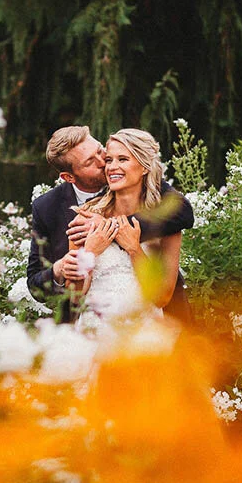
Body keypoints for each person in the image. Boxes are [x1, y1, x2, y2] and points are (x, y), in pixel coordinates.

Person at [27, 125, 194, 322]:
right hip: (95, 324)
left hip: (153, 324)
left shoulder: (156, 200)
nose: (105, 164)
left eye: (100, 152)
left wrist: (115, 230)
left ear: (144, 167)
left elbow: (183, 212)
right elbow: (66, 293)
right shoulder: (73, 215)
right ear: (69, 177)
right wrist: (63, 267)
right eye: (92, 161)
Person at [73, 128, 182, 331]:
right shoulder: (86, 217)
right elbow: (74, 298)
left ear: (143, 167)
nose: (112, 167)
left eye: (122, 159)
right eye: (109, 160)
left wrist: (134, 249)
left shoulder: (165, 223)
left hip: (144, 332)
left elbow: (162, 298)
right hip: (95, 330)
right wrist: (89, 253)